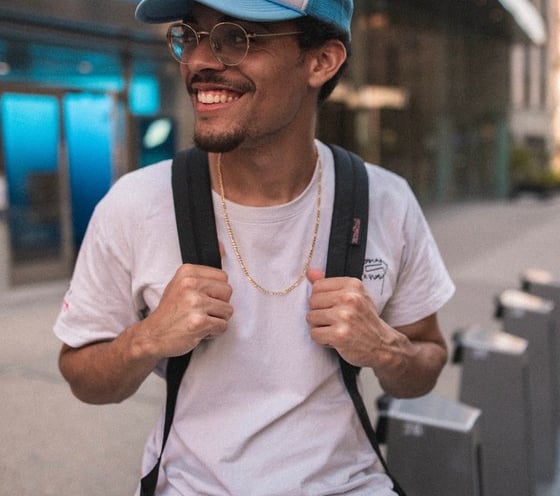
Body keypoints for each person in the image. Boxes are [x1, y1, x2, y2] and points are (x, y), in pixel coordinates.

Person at [54, 0, 455, 494]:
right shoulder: (135, 205)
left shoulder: (385, 201)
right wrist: (147, 338)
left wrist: (385, 348)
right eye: (191, 34)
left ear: (321, 61)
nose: (199, 61)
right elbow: (81, 376)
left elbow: (426, 361)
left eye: (235, 37)